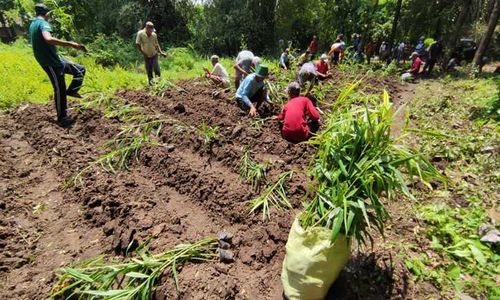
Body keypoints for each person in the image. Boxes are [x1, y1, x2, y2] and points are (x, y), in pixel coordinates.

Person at [29, 3, 87, 127]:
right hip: (50, 63)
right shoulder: (43, 23)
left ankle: (72, 91)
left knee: (80, 70)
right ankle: (62, 118)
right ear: (47, 14)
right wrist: (71, 44)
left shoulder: (33, 24)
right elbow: (48, 39)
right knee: (59, 89)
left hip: (56, 60)